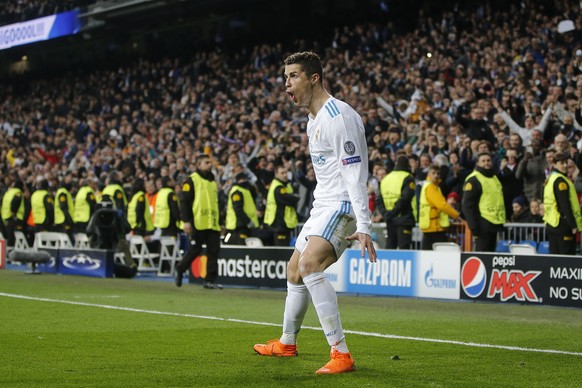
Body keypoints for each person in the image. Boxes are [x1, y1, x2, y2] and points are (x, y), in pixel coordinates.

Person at [253, 51, 377, 374]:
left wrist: (363, 224)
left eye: (292, 76)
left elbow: (354, 175)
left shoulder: (339, 118)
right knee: (294, 270)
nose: (286, 84)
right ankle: (287, 342)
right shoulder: (313, 119)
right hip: (323, 205)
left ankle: (341, 353)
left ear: (314, 78)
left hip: (342, 204)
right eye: (285, 78)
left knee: (309, 265)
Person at [175, 154, 222, 289]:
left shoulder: (213, 182)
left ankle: (210, 280)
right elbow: (185, 202)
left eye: (210, 162)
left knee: (214, 251)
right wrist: (186, 221)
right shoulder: (191, 180)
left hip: (212, 223)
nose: (210, 164)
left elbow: (215, 204)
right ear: (198, 165)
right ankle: (180, 268)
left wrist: (220, 221)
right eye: (206, 162)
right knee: (195, 249)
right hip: (198, 222)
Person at [462, 152, 506, 252]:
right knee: (482, 257)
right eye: (483, 161)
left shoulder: (494, 178)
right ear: (478, 163)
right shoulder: (474, 179)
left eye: (488, 160)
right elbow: (467, 205)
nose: (486, 163)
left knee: (491, 257)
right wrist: (474, 227)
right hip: (482, 225)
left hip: (494, 224)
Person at [543, 152, 582, 255]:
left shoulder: (551, 178)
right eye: (561, 163)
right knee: (566, 258)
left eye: (566, 162)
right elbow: (564, 205)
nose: (565, 165)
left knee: (555, 257)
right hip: (563, 224)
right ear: (554, 164)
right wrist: (573, 225)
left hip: (551, 222)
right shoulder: (561, 181)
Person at [376, 154, 416, 249]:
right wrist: (392, 213)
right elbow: (405, 199)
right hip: (403, 219)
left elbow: (379, 199)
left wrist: (385, 214)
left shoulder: (386, 179)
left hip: (390, 220)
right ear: (408, 165)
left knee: (390, 248)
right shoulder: (408, 178)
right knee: (404, 250)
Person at [419, 165, 461, 250]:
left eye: (438, 173)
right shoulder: (431, 187)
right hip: (434, 226)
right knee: (441, 251)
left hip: (432, 226)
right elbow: (442, 205)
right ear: (428, 174)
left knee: (428, 251)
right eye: (433, 173)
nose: (436, 175)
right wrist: (456, 215)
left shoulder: (434, 187)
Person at [263, 164, 299, 246]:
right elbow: (290, 199)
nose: (285, 175)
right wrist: (296, 198)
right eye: (282, 173)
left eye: (286, 172)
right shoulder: (279, 188)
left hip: (282, 224)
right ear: (276, 174)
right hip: (279, 223)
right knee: (282, 251)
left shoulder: (285, 185)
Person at [224, 172, 259, 245]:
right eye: (243, 179)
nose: (245, 181)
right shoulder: (237, 191)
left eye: (246, 179)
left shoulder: (245, 190)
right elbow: (238, 209)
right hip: (237, 226)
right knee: (239, 250)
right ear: (238, 180)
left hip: (244, 225)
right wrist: (248, 221)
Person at [1, 179, 25, 246]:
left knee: (9, 237)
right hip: (14, 218)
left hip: (5, 216)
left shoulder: (8, 192)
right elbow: (14, 203)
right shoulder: (18, 193)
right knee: (13, 238)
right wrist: (14, 214)